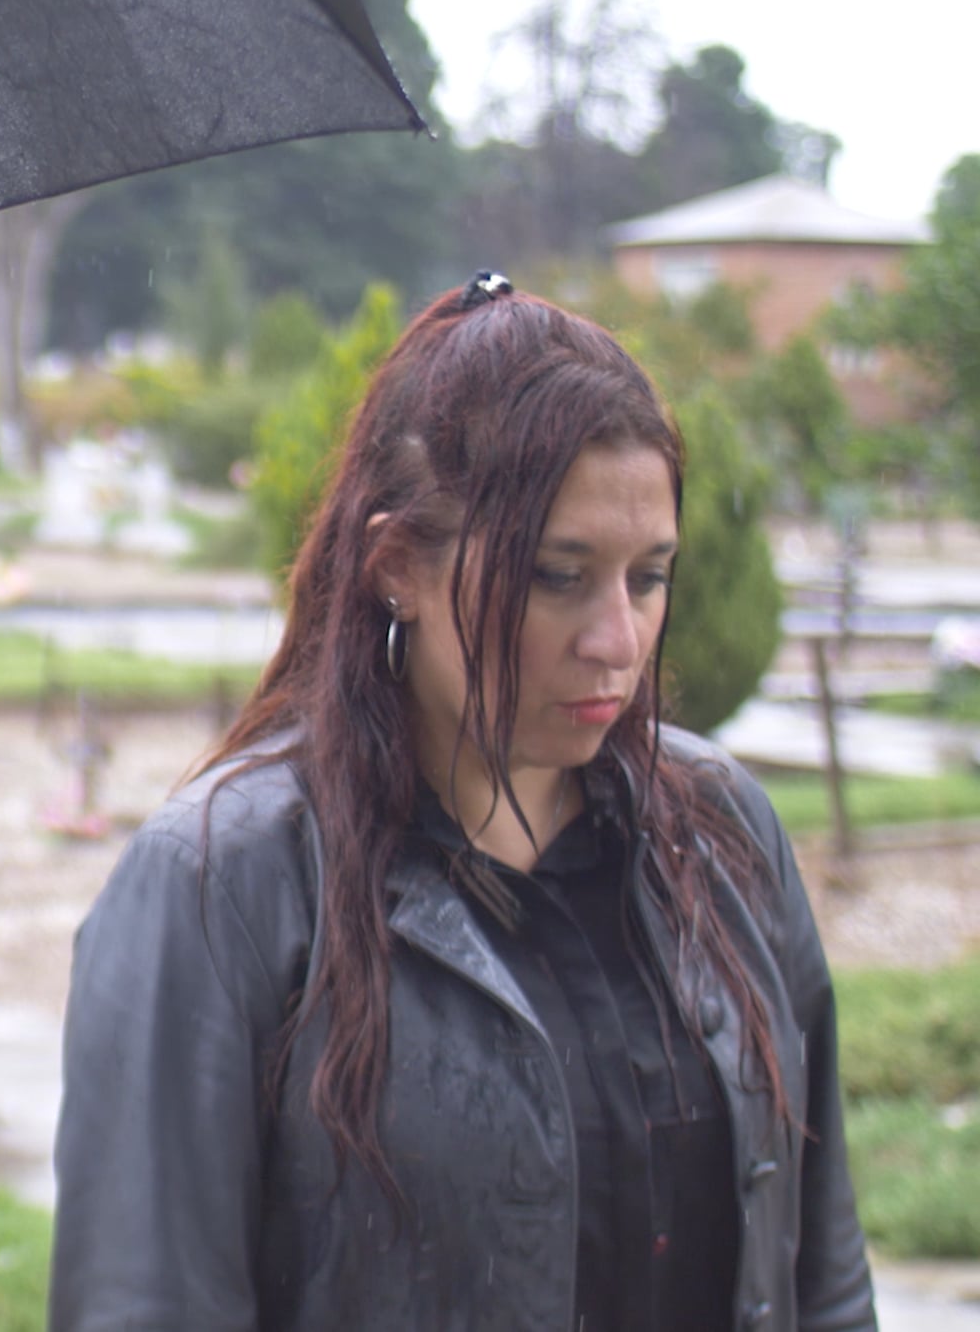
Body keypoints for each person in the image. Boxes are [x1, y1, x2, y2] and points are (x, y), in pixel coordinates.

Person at [51, 275, 876, 1331]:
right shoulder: (225, 884)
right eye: (556, 576)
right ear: (397, 564)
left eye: (648, 577)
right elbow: (146, 1302)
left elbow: (824, 1278)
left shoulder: (721, 833)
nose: (617, 642)